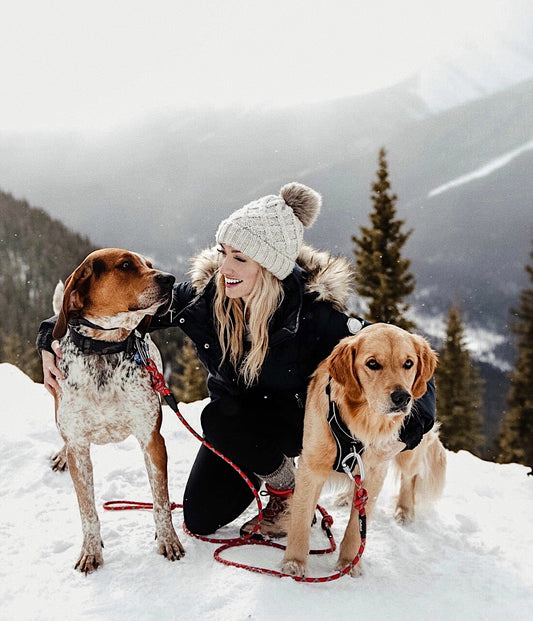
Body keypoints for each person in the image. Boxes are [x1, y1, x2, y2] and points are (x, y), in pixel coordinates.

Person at [39, 182, 436, 538]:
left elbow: (409, 366)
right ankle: (279, 480)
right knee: (199, 518)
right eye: (223, 253)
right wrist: (48, 337)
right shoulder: (206, 299)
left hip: (296, 429)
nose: (225, 269)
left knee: (230, 423)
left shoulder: (317, 315)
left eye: (240, 259)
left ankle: (291, 491)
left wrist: (404, 434)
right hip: (237, 430)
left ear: (269, 267)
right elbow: (110, 308)